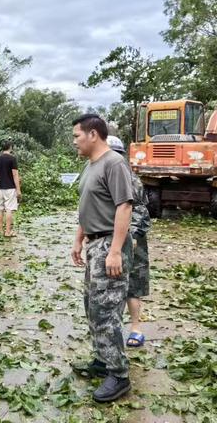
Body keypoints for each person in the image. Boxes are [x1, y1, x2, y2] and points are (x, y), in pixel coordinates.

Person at [70, 114, 134, 403]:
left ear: (93, 134)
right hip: (95, 243)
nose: (74, 141)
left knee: (107, 311)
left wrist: (116, 250)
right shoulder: (90, 165)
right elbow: (88, 204)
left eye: (77, 136)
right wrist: (78, 239)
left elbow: (124, 207)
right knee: (93, 306)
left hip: (110, 243)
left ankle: (119, 375)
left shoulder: (114, 163)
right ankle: (102, 359)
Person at [107, 135, 151, 347]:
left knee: (133, 284)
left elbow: (140, 209)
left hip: (132, 240)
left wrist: (131, 235)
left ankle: (135, 328)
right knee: (111, 285)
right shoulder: (104, 176)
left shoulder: (130, 179)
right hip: (111, 239)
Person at [0, 141, 21, 237]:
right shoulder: (12, 159)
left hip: (0, 188)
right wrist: (18, 189)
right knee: (9, 209)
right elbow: (15, 174)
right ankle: (8, 232)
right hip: (10, 188)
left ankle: (0, 231)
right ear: (10, 147)